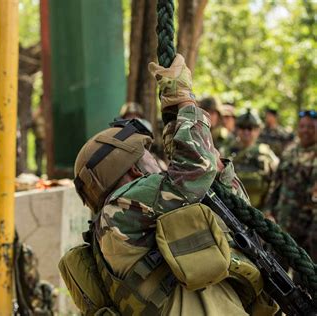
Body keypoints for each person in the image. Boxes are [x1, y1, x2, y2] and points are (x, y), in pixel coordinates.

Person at [71, 55, 277, 314]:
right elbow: (196, 168)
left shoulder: (138, 218)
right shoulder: (122, 209)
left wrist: (213, 163)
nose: (157, 161)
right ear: (134, 169)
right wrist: (182, 98)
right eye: (148, 156)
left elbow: (232, 208)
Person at [266, 110, 316, 261]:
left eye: (311, 127)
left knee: (304, 279)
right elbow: (276, 184)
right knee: (275, 274)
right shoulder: (289, 151)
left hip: (308, 231)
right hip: (283, 225)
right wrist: (268, 211)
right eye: (302, 126)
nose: (305, 130)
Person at [223, 110, 279, 209]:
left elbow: (275, 184)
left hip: (258, 211)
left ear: (258, 130)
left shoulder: (266, 154)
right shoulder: (226, 152)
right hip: (230, 210)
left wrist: (268, 209)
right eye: (243, 128)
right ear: (237, 129)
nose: (246, 132)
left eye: (250, 128)